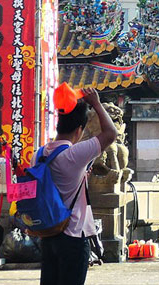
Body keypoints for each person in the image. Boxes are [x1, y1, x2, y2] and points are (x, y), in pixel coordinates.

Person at [40, 87, 117, 285]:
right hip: (73, 234)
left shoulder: (39, 153)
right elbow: (110, 134)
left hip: (48, 233)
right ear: (79, 130)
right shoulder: (74, 154)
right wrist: (97, 104)